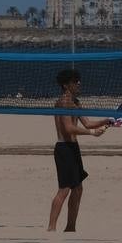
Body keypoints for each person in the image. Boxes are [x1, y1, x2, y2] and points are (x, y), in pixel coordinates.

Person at [47, 68, 113, 233]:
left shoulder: (76, 102)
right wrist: (92, 133)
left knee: (78, 189)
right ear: (65, 85)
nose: (79, 83)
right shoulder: (63, 102)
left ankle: (70, 227)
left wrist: (107, 120)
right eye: (75, 81)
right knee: (64, 189)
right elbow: (69, 128)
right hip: (63, 148)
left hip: (73, 148)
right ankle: (51, 228)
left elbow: (88, 123)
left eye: (78, 80)